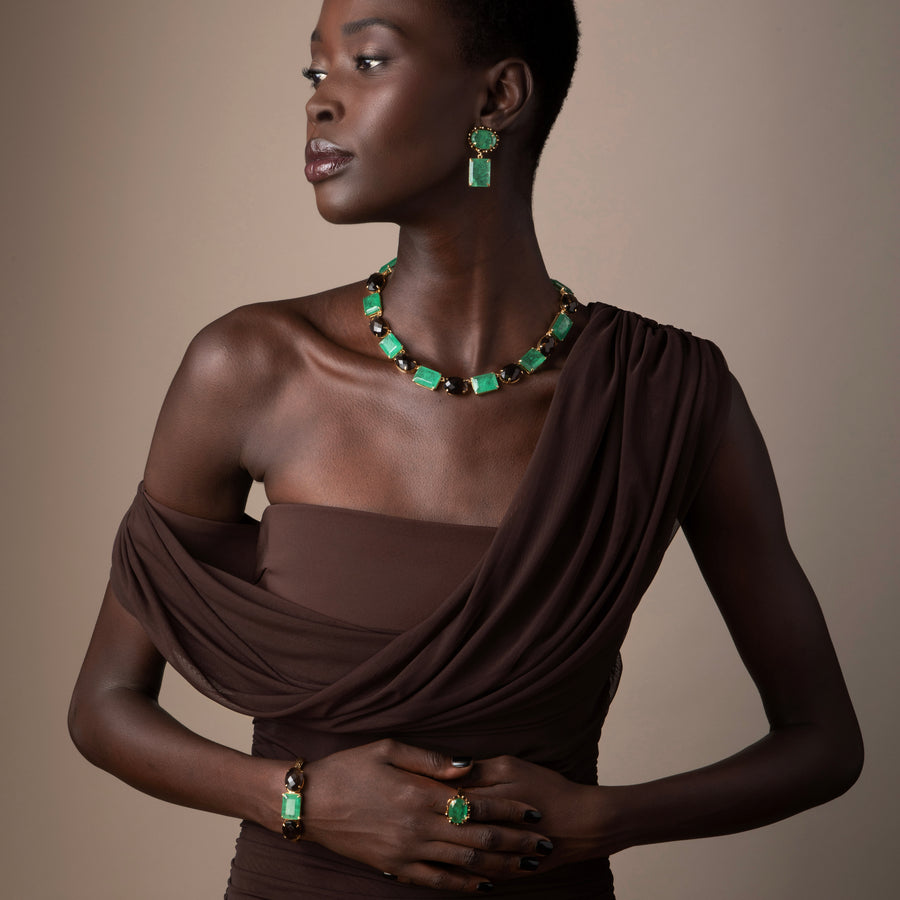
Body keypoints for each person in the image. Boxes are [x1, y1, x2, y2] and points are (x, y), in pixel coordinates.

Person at [68, 1, 863, 897]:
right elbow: (104, 707)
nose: (320, 101)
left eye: (365, 63)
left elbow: (824, 743)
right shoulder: (248, 367)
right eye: (313, 71)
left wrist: (604, 820)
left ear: (498, 98)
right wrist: (297, 799)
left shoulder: (668, 395)